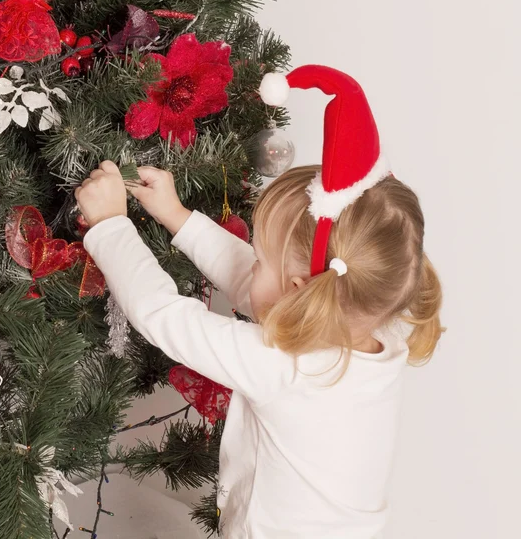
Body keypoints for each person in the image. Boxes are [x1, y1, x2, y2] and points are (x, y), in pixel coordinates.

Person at [75, 65, 443, 538]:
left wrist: (110, 227)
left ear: (296, 291)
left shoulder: (283, 367)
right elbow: (248, 277)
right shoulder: (372, 334)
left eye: (263, 260)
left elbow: (164, 316)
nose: (252, 265)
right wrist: (176, 216)